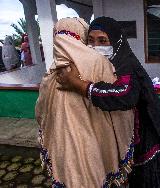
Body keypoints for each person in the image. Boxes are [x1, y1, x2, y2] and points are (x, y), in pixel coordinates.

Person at [56, 17, 160, 188]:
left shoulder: (125, 64)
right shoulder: (104, 66)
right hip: (133, 139)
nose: (95, 46)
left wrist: (79, 85)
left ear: (117, 41)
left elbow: (125, 94)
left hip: (148, 141)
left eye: (102, 40)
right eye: (90, 40)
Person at [35, 18, 135, 187]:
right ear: (82, 35)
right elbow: (120, 110)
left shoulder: (52, 73)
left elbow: (41, 113)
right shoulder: (100, 63)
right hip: (96, 142)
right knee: (94, 174)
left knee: (69, 175)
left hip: (62, 144)